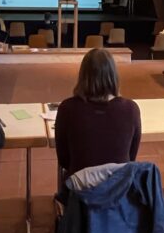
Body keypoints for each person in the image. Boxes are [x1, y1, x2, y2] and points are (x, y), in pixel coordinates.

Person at [55, 48, 141, 176]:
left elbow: (64, 160)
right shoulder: (131, 109)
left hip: (81, 189)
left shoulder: (67, 108)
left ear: (83, 75)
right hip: (118, 189)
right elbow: (130, 156)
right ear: (113, 75)